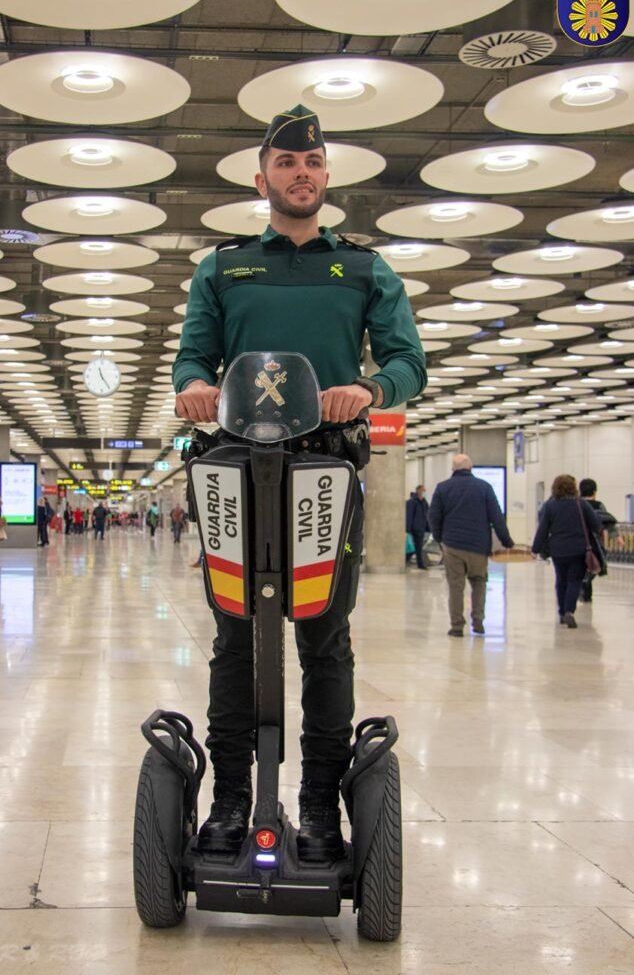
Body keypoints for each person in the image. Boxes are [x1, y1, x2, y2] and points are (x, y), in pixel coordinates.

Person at [173, 104, 427, 861]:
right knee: (235, 639)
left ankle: (319, 807)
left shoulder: (362, 267)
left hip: (327, 467)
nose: (301, 174)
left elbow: (408, 360)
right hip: (239, 468)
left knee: (324, 639)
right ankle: (228, 802)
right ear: (264, 179)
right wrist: (193, 387)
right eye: (286, 165)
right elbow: (194, 354)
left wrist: (373, 389)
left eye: (312, 164)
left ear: (326, 177)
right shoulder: (223, 267)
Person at [429, 454, 514, 637]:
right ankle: (478, 620)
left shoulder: (443, 488)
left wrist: (439, 538)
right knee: (479, 582)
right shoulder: (484, 487)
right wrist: (506, 541)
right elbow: (496, 517)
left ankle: (457, 626)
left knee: (456, 586)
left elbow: (434, 516)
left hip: (452, 545)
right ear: (470, 468)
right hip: (479, 545)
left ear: (453, 469)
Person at [532, 474, 602, 628]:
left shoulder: (550, 506)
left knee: (561, 580)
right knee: (574, 581)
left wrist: (535, 549)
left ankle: (562, 612)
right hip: (579, 550)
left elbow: (542, 530)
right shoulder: (581, 504)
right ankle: (569, 610)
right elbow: (596, 524)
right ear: (573, 487)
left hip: (558, 550)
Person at [578, 478, 621, 603]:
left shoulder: (577, 505)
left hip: (578, 541)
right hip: (595, 544)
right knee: (593, 566)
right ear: (595, 491)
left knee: (580, 567)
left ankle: (583, 589)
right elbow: (608, 522)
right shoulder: (599, 506)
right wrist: (617, 537)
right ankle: (586, 588)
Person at [406, 484, 430, 570]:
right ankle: (419, 563)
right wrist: (408, 529)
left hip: (421, 528)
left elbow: (427, 515)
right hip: (414, 528)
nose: (424, 492)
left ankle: (418, 562)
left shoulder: (424, 503)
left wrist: (428, 527)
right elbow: (409, 516)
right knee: (414, 547)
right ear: (418, 491)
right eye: (423, 490)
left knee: (417, 547)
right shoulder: (412, 502)